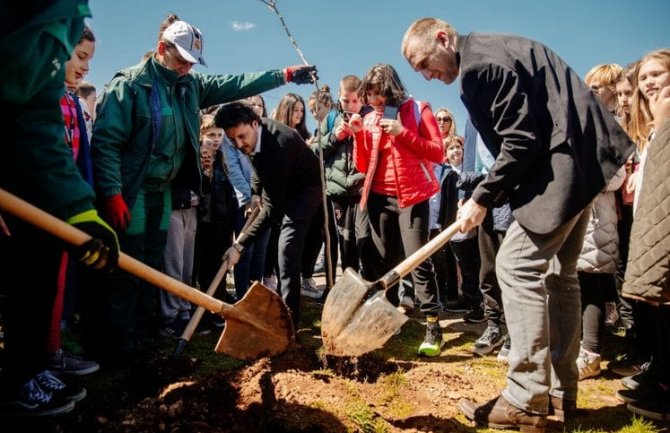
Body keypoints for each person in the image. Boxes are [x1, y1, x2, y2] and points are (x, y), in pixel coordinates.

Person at [402, 18, 634, 430]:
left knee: (514, 266)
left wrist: (482, 197)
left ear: (442, 37)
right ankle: (561, 396)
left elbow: (522, 140)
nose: (426, 75)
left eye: (424, 62)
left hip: (563, 168)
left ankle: (526, 398)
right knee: (561, 277)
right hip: (584, 164)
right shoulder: (497, 49)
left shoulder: (478, 67)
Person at [89, 14, 316, 362]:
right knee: (128, 265)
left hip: (163, 193)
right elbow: (105, 145)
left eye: (191, 64)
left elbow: (235, 83)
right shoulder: (130, 87)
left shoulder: (188, 86)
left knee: (152, 265)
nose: (186, 69)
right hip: (132, 191)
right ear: (162, 49)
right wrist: (111, 192)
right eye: (181, 61)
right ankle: (118, 340)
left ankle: (145, 334)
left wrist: (283, 75)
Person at [0, 1, 119, 417]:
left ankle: (25, 370)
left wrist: (79, 211)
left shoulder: (64, 21)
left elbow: (37, 123)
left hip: (33, 196)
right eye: (75, 53)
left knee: (34, 286)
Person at [349, 63, 444, 357]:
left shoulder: (418, 109)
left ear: (391, 90)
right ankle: (386, 319)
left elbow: (438, 152)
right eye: (371, 95)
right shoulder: (369, 119)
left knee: (417, 261)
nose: (376, 101)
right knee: (382, 262)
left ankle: (432, 325)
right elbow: (363, 166)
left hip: (412, 197)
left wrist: (403, 132)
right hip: (378, 197)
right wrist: (357, 135)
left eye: (380, 95)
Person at [214, 101, 322, 326]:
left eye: (242, 136)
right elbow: (257, 166)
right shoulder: (252, 138)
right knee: (279, 245)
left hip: (306, 190)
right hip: (283, 185)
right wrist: (255, 193)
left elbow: (273, 210)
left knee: (286, 250)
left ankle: (289, 321)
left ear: (255, 123)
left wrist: (239, 245)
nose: (239, 143)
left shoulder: (279, 144)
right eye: (232, 139)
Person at [618, 49, 670, 422]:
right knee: (657, 307)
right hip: (649, 223)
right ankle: (659, 373)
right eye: (645, 77)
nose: (649, 82)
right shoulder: (650, 127)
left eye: (657, 74)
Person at [576, 64, 626, 381]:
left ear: (614, 91)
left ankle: (591, 354)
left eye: (598, 87)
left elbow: (617, 175)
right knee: (582, 281)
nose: (592, 92)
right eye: (589, 86)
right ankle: (584, 347)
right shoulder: (590, 124)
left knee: (592, 281)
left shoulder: (619, 126)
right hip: (582, 215)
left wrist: (580, 179)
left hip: (599, 214)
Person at [271, 92, 324, 299]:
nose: (300, 114)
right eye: (296, 110)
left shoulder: (306, 135)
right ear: (286, 110)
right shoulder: (278, 134)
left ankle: (305, 277)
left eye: (302, 110)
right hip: (287, 196)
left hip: (308, 196)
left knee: (313, 237)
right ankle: (283, 284)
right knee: (286, 245)